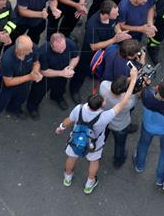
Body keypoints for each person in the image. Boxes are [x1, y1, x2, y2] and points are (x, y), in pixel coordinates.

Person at [56, 66, 138, 194]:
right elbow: (123, 102)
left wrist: (61, 127)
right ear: (101, 106)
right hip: (94, 143)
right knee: (93, 161)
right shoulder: (105, 117)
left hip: (77, 138)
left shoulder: (79, 108)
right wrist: (133, 81)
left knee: (71, 157)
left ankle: (67, 177)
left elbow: (68, 120)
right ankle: (89, 183)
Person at [69, 0, 129, 102]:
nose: (118, 14)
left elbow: (116, 25)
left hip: (106, 48)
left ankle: (91, 72)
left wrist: (119, 33)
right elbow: (93, 46)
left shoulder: (113, 15)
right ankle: (74, 89)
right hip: (90, 52)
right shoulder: (92, 25)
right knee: (81, 70)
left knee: (98, 65)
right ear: (105, 15)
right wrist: (114, 40)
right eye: (115, 13)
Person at [0, 35, 41, 134]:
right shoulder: (7, 59)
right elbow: (8, 82)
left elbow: (36, 62)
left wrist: (35, 72)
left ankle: (13, 109)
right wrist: (30, 77)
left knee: (21, 97)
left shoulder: (32, 47)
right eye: (28, 50)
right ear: (19, 50)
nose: (31, 51)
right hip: (6, 86)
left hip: (25, 81)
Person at [133, 78, 164, 186]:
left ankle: (139, 165)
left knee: (143, 145)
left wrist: (147, 84)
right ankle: (160, 178)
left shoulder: (147, 95)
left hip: (147, 126)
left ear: (158, 88)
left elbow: (145, 90)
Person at [26, 33, 80, 116]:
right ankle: (32, 107)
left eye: (63, 48)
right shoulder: (43, 52)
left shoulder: (69, 43)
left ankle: (57, 97)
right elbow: (43, 71)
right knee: (37, 93)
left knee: (60, 88)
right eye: (59, 50)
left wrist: (70, 67)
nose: (62, 51)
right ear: (51, 45)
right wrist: (61, 73)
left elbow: (75, 57)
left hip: (62, 74)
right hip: (45, 78)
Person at [98, 75, 139, 168]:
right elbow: (136, 96)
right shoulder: (128, 102)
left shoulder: (103, 86)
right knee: (119, 145)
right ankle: (118, 161)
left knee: (101, 139)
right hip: (119, 126)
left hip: (104, 121)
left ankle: (97, 155)